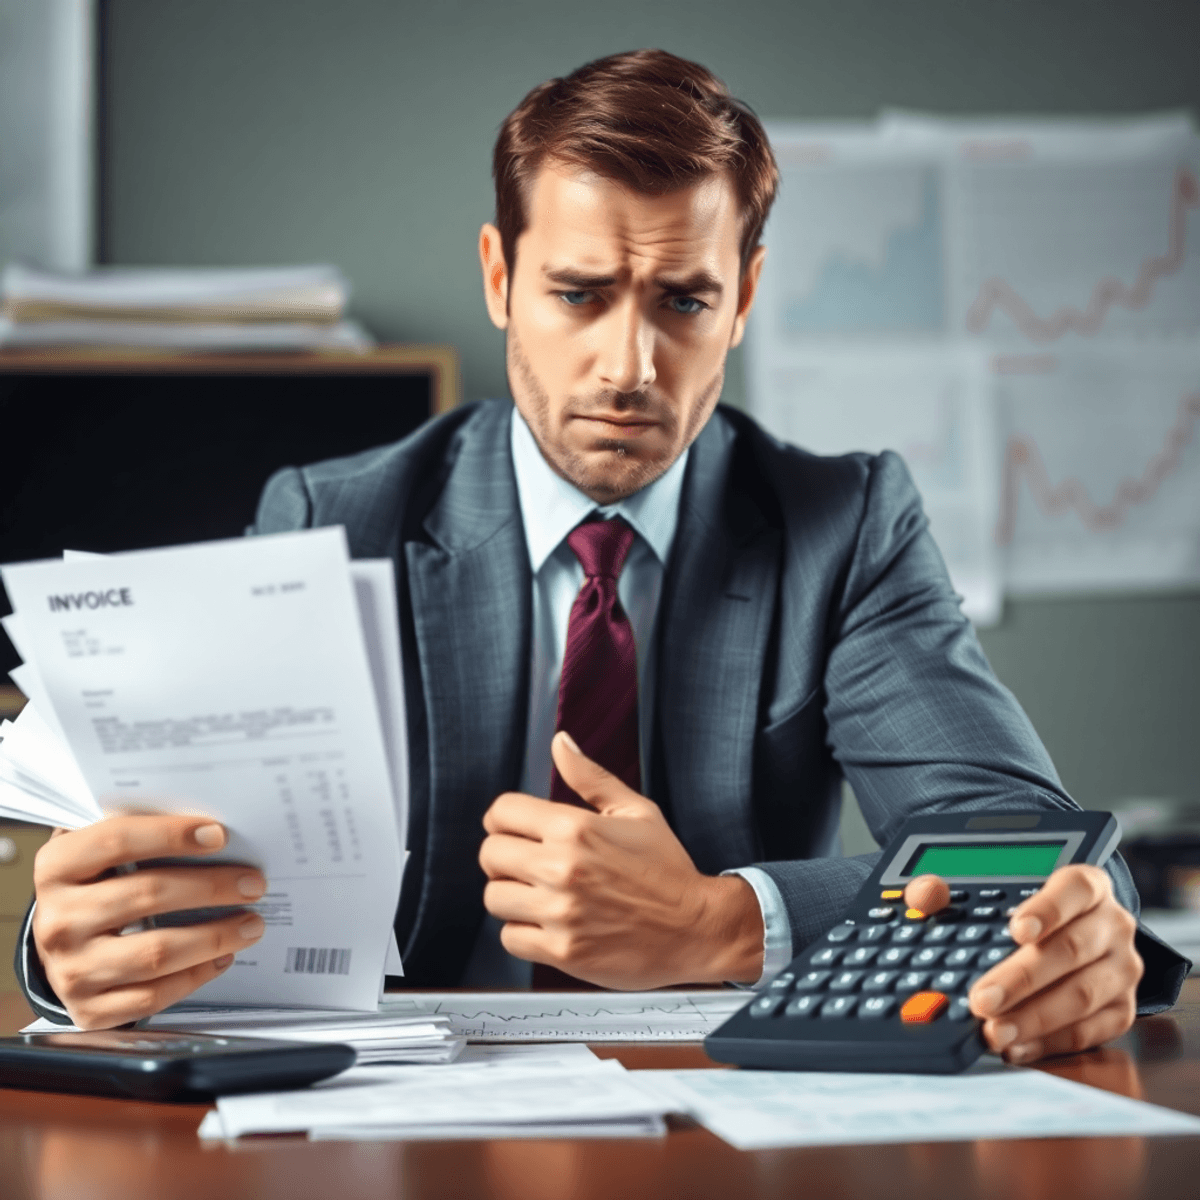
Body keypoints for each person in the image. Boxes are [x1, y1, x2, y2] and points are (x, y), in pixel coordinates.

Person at [19, 51, 1185, 1060]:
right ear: (498, 278)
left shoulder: (845, 526)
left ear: (745, 298)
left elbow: (1039, 862)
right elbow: (182, 876)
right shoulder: (330, 522)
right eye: (580, 294)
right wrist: (77, 948)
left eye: (684, 302)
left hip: (740, 1105)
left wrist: (721, 924)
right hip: (408, 1116)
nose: (630, 366)